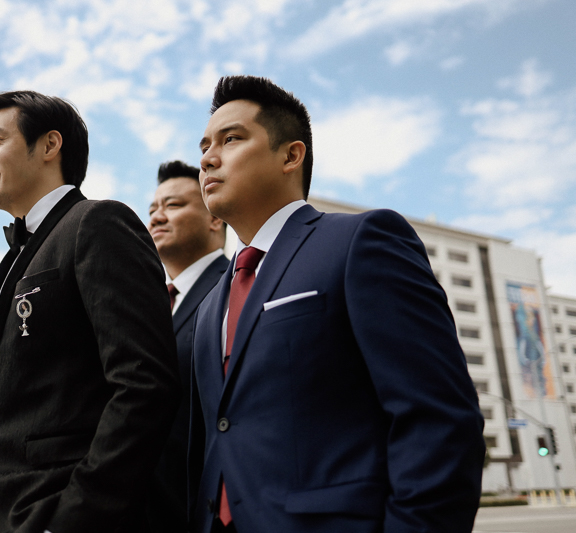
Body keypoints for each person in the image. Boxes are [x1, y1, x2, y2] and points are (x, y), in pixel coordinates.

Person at [188, 75, 485, 533]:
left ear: (291, 155)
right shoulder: (211, 305)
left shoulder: (360, 241)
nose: (208, 158)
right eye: (205, 146)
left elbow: (438, 421)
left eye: (231, 139)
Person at [0, 90, 180, 533]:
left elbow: (143, 386)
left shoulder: (97, 223)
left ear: (49, 145)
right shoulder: (12, 260)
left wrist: (72, 519)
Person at [146, 161, 230, 532]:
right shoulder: (150, 304)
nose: (157, 217)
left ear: (215, 218)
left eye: (174, 205)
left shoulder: (237, 288)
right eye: (153, 208)